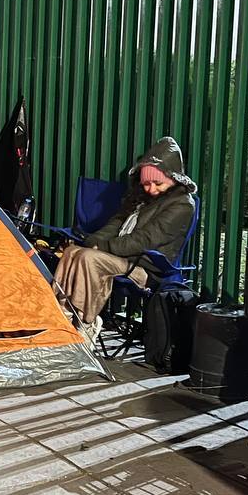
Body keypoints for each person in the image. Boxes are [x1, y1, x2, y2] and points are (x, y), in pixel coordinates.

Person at [54, 137, 197, 345]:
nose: (151, 189)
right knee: (72, 252)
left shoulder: (182, 205)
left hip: (147, 266)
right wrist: (94, 240)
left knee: (89, 259)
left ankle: (87, 322)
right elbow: (116, 224)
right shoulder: (141, 198)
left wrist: (101, 247)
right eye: (146, 183)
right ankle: (63, 313)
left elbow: (145, 240)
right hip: (123, 256)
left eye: (158, 183)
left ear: (174, 179)